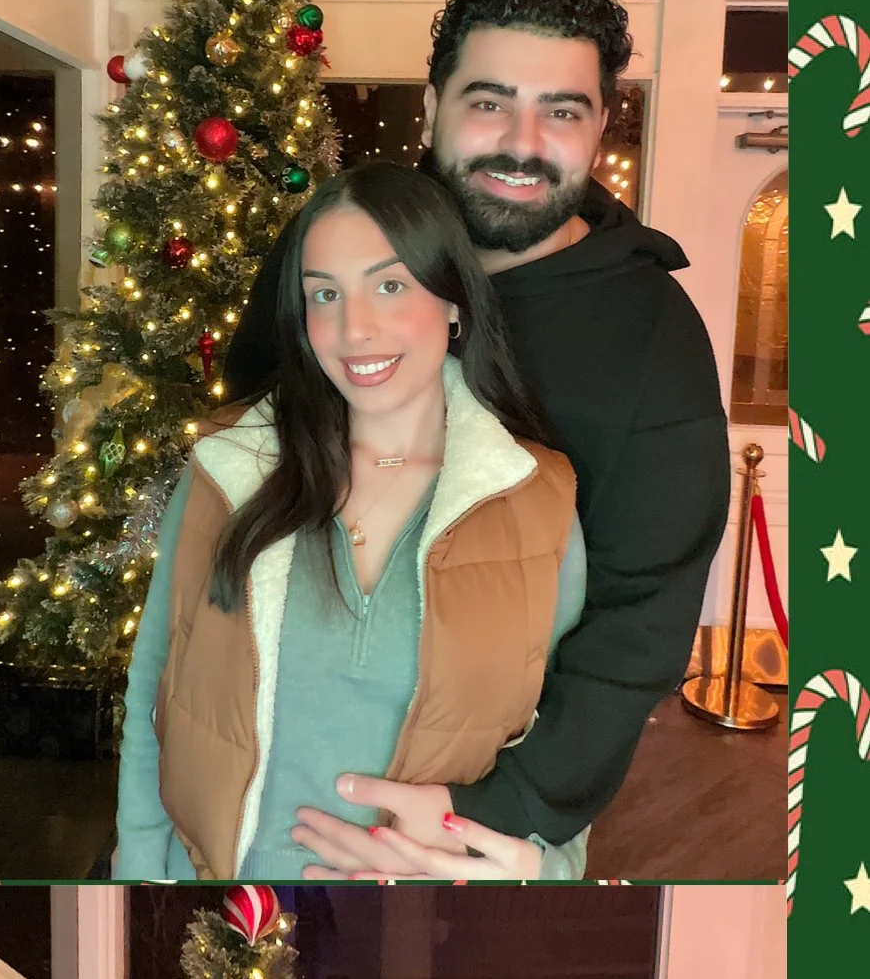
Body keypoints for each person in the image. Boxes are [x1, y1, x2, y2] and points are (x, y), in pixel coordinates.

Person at [222, 0, 732, 883]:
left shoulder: (653, 342)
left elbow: (640, 623)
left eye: (563, 112)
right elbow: (254, 444)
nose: (523, 143)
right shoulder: (333, 239)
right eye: (490, 103)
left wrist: (490, 817)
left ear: (602, 125)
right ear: (432, 104)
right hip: (269, 766)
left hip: (480, 817)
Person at [114, 162, 589, 887]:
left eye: (390, 285)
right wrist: (141, 870)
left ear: (454, 302)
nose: (353, 329)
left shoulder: (538, 499)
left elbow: (574, 742)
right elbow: (155, 683)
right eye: (324, 295)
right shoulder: (228, 469)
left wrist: (539, 870)